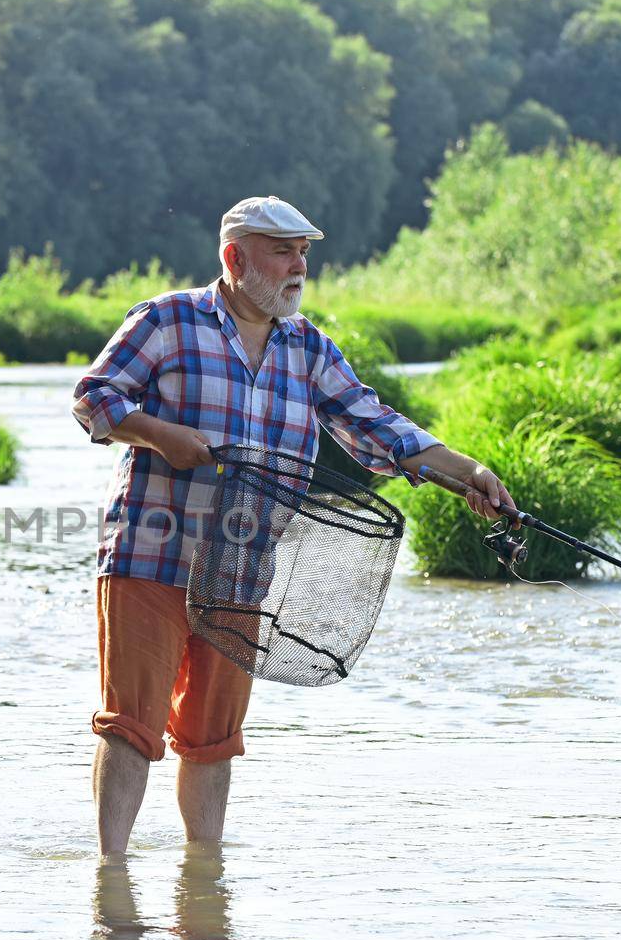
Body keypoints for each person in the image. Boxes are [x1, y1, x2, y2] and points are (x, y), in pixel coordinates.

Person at [73, 195, 517, 857]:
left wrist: (466, 470)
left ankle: (205, 887)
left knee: (212, 739)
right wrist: (162, 436)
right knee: (130, 727)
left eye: (304, 252)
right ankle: (110, 880)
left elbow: (378, 429)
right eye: (283, 251)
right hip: (150, 557)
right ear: (234, 257)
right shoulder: (166, 320)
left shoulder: (308, 348)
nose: (298, 265)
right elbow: (94, 398)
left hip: (241, 573)